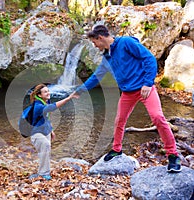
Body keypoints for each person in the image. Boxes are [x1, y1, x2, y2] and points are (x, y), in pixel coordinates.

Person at [71, 25, 181, 173]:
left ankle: (173, 155)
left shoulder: (126, 42)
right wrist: (81, 90)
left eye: (94, 42)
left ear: (100, 38)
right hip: (128, 93)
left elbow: (149, 59)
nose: (95, 46)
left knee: (157, 117)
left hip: (144, 89)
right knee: (119, 121)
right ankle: (116, 149)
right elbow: (96, 76)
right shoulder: (107, 57)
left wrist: (148, 83)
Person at [28, 83, 74, 180]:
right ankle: (43, 174)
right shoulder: (38, 106)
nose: (48, 93)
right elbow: (53, 107)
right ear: (39, 95)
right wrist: (68, 99)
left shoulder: (45, 101)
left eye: (48, 91)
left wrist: (51, 130)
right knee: (46, 146)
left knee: (45, 152)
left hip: (46, 131)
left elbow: (47, 118)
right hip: (36, 133)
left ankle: (44, 172)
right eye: (45, 92)